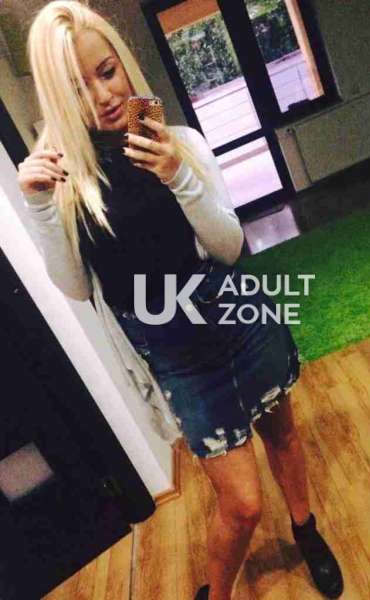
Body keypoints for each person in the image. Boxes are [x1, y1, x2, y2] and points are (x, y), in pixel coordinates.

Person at [18, 2, 344, 599]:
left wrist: (178, 175)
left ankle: (306, 530)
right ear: (59, 99)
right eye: (78, 88)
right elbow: (77, 288)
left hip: (240, 321)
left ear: (125, 64)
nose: (104, 96)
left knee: (284, 436)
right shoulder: (68, 186)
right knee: (241, 505)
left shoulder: (182, 144)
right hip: (180, 359)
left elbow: (229, 246)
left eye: (108, 71)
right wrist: (40, 207)